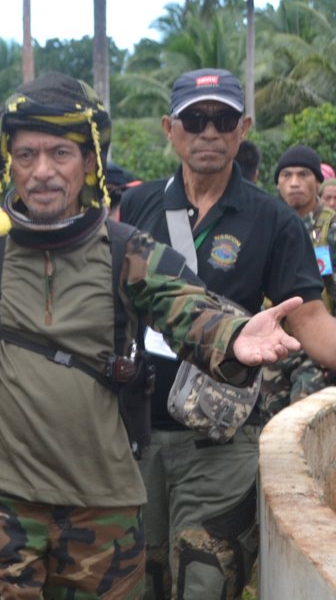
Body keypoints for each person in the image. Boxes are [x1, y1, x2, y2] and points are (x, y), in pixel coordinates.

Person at [0, 72, 301, 599]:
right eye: (26, 155)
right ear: (8, 162)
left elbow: (186, 307)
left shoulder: (127, 250)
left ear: (89, 162)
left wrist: (233, 337)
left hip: (103, 511)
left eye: (60, 154)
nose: (42, 171)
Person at [118, 68, 336, 600]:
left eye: (223, 119)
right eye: (195, 119)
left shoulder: (272, 220)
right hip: (133, 437)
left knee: (206, 583)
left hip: (222, 440)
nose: (209, 132)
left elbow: (312, 322)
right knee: (135, 585)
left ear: (243, 129)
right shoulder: (134, 208)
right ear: (170, 128)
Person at [260, 145, 336, 416]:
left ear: (318, 181)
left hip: (318, 348)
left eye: (303, 174)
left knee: (307, 422)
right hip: (273, 345)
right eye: (286, 175)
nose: (294, 183)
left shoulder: (331, 228)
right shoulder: (267, 225)